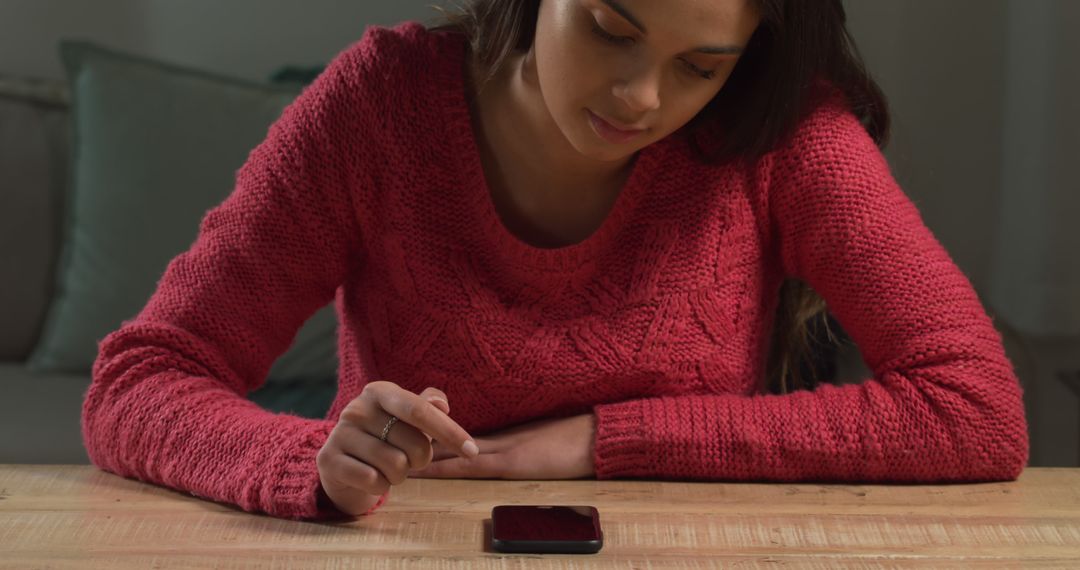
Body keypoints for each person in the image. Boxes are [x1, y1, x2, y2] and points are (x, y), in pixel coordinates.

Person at [81, 0, 1030, 521]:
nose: (640, 95)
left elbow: (975, 408)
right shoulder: (378, 109)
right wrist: (310, 466)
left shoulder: (784, 133)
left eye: (700, 66)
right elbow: (140, 380)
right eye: (611, 28)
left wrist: (599, 442)